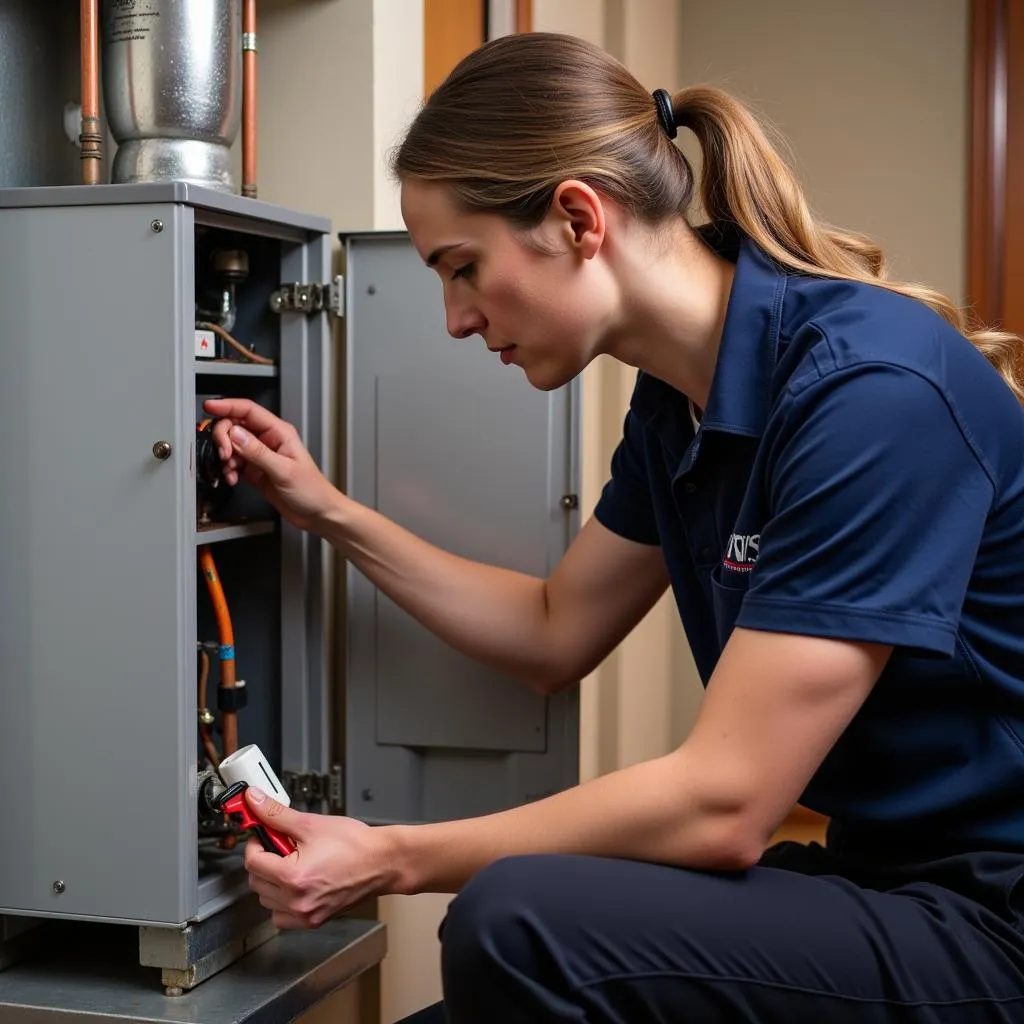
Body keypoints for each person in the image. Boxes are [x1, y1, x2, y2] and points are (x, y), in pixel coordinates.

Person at [206, 31, 1024, 1024]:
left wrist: (393, 857)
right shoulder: (680, 402)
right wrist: (325, 510)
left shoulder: (867, 393)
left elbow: (724, 805)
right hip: (877, 879)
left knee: (513, 921)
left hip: (988, 918)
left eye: (462, 268)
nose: (456, 318)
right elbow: (553, 631)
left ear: (578, 218)